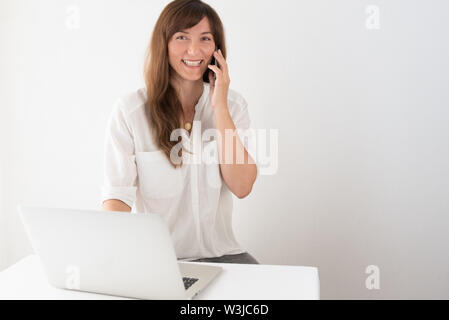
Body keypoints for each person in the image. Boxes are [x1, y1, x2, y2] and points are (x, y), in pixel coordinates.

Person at [101, 0, 259, 264]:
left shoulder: (233, 106)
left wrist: (219, 106)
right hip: (159, 261)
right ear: (163, 43)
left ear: (216, 48)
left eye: (205, 38)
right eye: (182, 37)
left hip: (223, 256)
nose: (194, 49)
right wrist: (117, 259)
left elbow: (242, 186)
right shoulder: (131, 111)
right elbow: (117, 196)